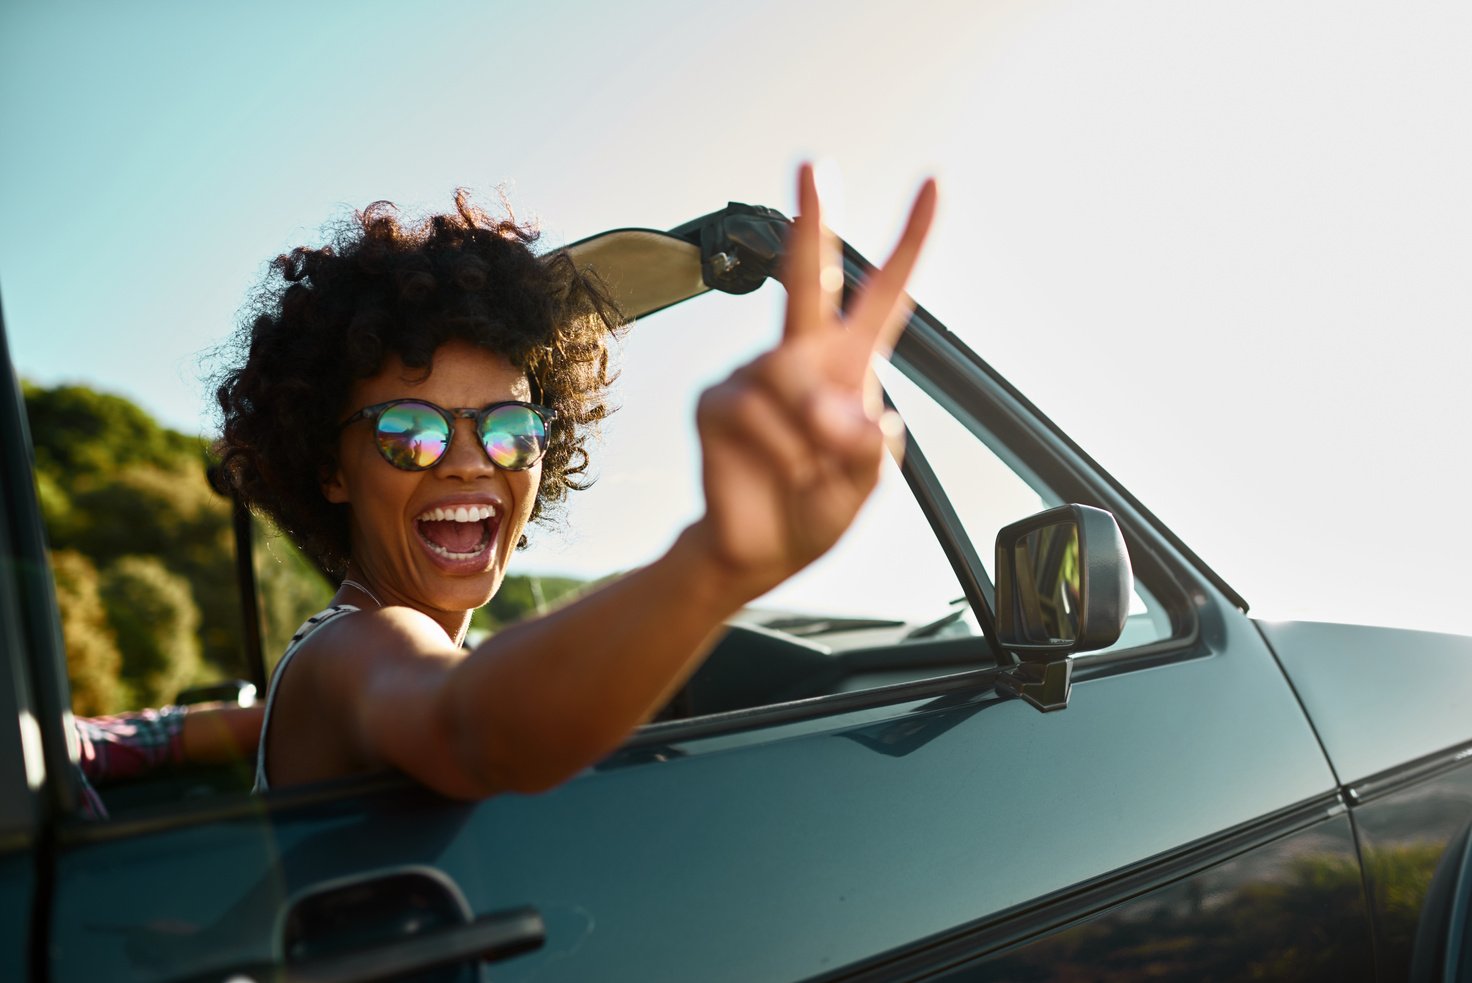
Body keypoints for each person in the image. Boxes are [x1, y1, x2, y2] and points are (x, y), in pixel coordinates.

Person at [214, 165, 936, 797]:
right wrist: (716, 561)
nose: (470, 461)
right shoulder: (347, 652)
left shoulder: (419, 651)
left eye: (508, 429)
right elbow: (469, 731)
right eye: (410, 432)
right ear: (330, 470)